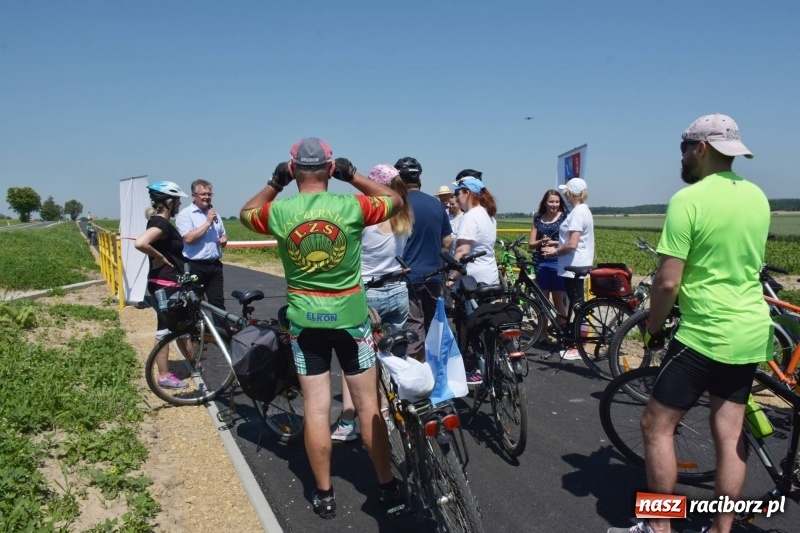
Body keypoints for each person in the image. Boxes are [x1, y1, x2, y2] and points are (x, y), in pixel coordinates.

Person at [608, 114, 771, 533]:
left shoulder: (688, 200)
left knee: (656, 425)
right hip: (751, 328)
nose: (680, 156)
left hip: (705, 332)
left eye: (684, 147)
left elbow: (666, 282)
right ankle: (721, 529)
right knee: (729, 432)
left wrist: (653, 328)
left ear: (700, 148)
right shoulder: (757, 196)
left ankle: (658, 528)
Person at [240, 139, 405, 520]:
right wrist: (354, 176)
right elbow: (394, 201)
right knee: (367, 407)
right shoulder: (351, 206)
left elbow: (247, 211)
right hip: (350, 319)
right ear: (330, 169)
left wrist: (275, 182)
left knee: (316, 409)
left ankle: (325, 493)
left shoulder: (280, 212)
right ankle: (387, 486)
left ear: (293, 169)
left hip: (306, 322)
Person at [332, 164, 414, 442]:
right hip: (398, 290)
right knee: (393, 356)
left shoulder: (365, 216)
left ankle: (348, 419)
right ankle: (391, 412)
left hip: (369, 293)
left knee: (354, 360)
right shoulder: (404, 213)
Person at [134, 181, 190, 389]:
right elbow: (141, 243)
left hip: (168, 281)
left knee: (178, 325)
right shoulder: (161, 223)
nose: (179, 205)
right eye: (178, 201)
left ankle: (192, 363)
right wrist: (159, 257)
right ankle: (164, 376)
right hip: (164, 282)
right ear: (169, 202)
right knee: (165, 329)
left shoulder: (158, 221)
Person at [396, 157, 452, 361]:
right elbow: (447, 241)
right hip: (434, 274)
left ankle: (415, 374)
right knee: (434, 323)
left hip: (408, 275)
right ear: (419, 178)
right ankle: (436, 369)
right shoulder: (437, 205)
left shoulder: (398, 204)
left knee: (413, 325)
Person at [445, 177, 499, 383]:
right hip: (489, 274)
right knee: (486, 320)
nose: (456, 196)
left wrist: (451, 277)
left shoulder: (471, 217)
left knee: (472, 322)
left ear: (467, 192)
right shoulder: (488, 214)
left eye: (458, 192)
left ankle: (478, 367)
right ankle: (492, 361)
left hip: (472, 280)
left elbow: (463, 250)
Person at [541, 177, 593, 361]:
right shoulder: (581, 210)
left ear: (570, 193)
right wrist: (556, 242)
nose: (564, 195)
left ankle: (577, 346)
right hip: (575, 263)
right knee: (576, 305)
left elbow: (572, 243)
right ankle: (578, 343)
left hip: (573, 265)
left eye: (566, 192)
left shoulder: (577, 212)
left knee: (576, 306)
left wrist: (554, 250)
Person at [175, 179, 228, 322]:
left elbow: (222, 234)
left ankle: (221, 336)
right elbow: (189, 238)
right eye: (203, 194)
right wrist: (208, 223)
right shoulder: (186, 215)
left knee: (218, 303)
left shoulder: (214, 214)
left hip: (214, 266)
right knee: (195, 303)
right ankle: (196, 337)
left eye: (209, 194)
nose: (207, 197)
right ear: (194, 196)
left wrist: (223, 239)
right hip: (195, 266)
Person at [528, 189, 568, 327]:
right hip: (541, 263)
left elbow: (571, 241)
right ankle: (543, 333)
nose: (554, 204)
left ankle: (562, 333)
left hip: (558, 263)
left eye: (557, 201)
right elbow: (531, 244)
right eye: (551, 201)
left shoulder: (565, 217)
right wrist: (540, 242)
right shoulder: (538, 219)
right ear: (545, 203)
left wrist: (554, 243)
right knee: (542, 303)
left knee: (558, 302)